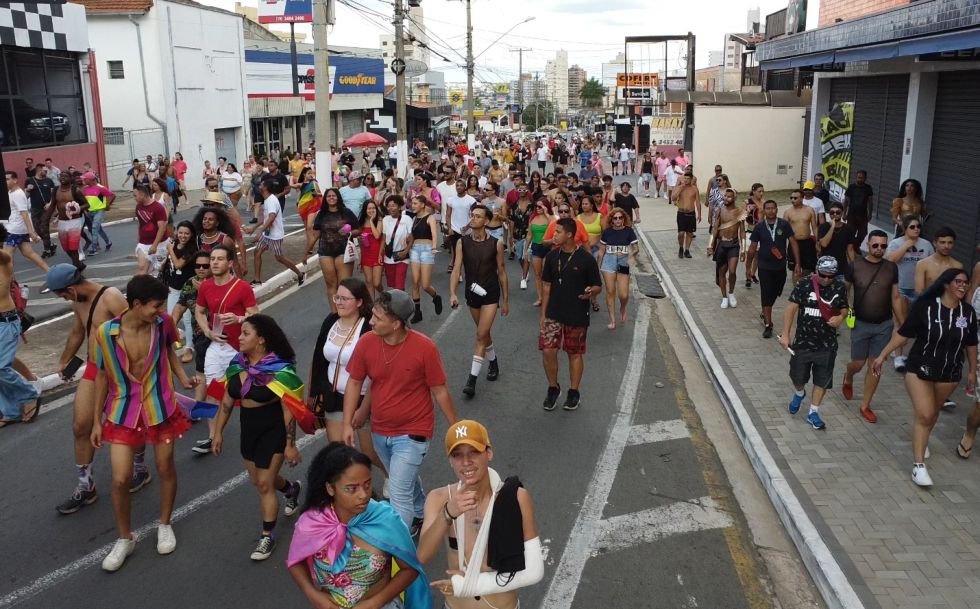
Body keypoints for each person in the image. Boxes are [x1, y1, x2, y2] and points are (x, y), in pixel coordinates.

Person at [91, 275, 199, 571]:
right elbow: (101, 375)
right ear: (136, 304)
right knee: (120, 478)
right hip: (122, 412)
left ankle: (165, 524)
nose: (160, 310)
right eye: (155, 306)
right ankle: (125, 538)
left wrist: (184, 379)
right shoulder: (105, 333)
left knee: (165, 468)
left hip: (160, 407)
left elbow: (169, 353)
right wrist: (96, 420)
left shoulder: (163, 323)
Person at [341, 289, 458, 530]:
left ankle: (397, 550)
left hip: (414, 432)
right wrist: (348, 422)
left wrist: (456, 427)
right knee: (400, 479)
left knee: (397, 492)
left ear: (396, 324)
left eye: (377, 317)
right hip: (380, 430)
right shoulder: (367, 343)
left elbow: (440, 390)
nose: (371, 321)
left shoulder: (425, 348)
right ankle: (420, 510)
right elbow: (354, 382)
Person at [286, 443, 431, 609]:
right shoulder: (313, 522)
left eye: (367, 484)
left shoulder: (386, 520)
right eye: (351, 489)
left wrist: (376, 602)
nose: (363, 495)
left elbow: (410, 569)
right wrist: (312, 594)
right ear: (330, 488)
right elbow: (295, 561)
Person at [418, 420, 544, 609]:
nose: (466, 462)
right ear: (450, 461)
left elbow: (534, 571)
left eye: (474, 452)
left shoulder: (515, 498)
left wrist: (468, 586)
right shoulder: (439, 498)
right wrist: (448, 513)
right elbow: (422, 556)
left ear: (489, 453)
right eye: (457, 455)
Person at [872, 269, 978, 487]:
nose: (963, 286)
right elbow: (904, 334)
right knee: (925, 413)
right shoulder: (926, 307)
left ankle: (923, 438)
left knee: (932, 413)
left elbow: (970, 343)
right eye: (958, 282)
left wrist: (973, 371)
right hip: (920, 367)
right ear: (946, 284)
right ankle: (918, 467)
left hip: (950, 372)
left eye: (966, 283)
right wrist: (882, 355)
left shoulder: (967, 313)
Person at [212, 314, 304, 560]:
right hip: (248, 429)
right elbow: (227, 401)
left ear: (261, 340)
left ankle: (267, 536)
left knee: (264, 484)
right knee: (259, 480)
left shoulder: (279, 370)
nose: (239, 337)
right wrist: (218, 432)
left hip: (272, 429)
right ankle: (291, 489)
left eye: (245, 333)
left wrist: (289, 444)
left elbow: (291, 408)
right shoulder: (237, 364)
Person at [193, 245, 260, 454]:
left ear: (230, 263)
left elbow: (255, 315)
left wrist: (239, 318)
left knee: (247, 392)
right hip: (216, 346)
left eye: (219, 259)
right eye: (212, 258)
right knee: (212, 390)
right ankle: (212, 436)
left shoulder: (242, 287)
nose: (214, 263)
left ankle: (257, 433)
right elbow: (199, 311)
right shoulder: (205, 286)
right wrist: (207, 331)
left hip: (237, 349)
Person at [778, 256, 849, 431]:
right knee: (797, 376)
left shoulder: (839, 287)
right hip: (803, 342)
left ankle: (813, 412)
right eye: (823, 275)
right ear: (817, 272)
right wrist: (786, 335)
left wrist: (840, 318)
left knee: (822, 380)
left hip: (827, 345)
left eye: (830, 276)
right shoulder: (803, 285)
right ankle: (799, 393)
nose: (826, 279)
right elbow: (791, 309)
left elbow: (845, 307)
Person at [539, 218, 602, 412]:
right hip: (553, 313)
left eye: (557, 232)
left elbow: (597, 285)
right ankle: (553, 387)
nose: (553, 235)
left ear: (568, 234)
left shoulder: (586, 259)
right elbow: (546, 286)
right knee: (548, 350)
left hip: (576, 313)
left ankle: (574, 391)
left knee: (574, 353)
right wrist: (543, 314)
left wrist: (592, 292)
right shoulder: (551, 257)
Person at [450, 205, 509, 399]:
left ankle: (471, 380)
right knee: (484, 334)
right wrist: (453, 293)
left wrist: (505, 300)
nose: (473, 219)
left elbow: (501, 272)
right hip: (471, 293)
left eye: (478, 216)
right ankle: (493, 362)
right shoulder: (462, 242)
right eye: (472, 215)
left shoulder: (496, 243)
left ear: (486, 221)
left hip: (491, 293)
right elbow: (457, 268)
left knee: (481, 333)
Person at [842, 230, 900, 423]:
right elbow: (844, 291)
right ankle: (848, 375)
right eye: (875, 245)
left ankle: (865, 405)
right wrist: (841, 312)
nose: (879, 249)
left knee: (875, 366)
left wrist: (903, 324)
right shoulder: (855, 266)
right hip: (860, 323)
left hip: (884, 325)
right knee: (857, 363)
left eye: (883, 246)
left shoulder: (891, 268)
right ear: (868, 244)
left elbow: (896, 297)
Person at [0, 225, 41, 428]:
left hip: (6, 322)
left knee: (1, 368)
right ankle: (10, 411)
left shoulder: (5, 260)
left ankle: (30, 394)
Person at [885, 216, 933, 373]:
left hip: (920, 291)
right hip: (900, 289)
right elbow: (890, 260)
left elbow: (932, 264)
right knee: (901, 323)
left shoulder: (926, 245)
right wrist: (906, 245)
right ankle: (898, 356)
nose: (916, 229)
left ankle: (916, 356)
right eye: (912, 227)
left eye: (918, 226)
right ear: (905, 228)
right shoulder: (896, 243)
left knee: (920, 325)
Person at [748, 200, 797, 338]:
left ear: (776, 209)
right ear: (764, 210)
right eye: (767, 208)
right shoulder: (759, 227)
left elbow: (793, 242)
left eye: (773, 208)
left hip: (780, 266)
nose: (770, 211)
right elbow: (752, 248)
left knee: (777, 290)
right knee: (766, 292)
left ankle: (765, 308)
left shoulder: (784, 224)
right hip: (764, 267)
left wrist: (798, 263)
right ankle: (768, 324)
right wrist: (748, 267)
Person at [248, 180, 305, 286]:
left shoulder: (272, 201)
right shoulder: (267, 200)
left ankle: (300, 273)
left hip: (275, 235)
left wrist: (260, 230)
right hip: (267, 234)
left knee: (279, 258)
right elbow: (265, 217)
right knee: (257, 252)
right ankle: (257, 280)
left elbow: (272, 217)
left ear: (265, 188)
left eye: (261, 184)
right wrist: (254, 227)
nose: (259, 186)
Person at [310, 187, 359, 310]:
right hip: (325, 252)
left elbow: (358, 229)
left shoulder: (346, 212)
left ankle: (347, 311)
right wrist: (307, 251)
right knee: (331, 285)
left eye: (333, 196)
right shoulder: (321, 214)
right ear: (325, 199)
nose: (331, 198)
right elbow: (315, 234)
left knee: (344, 285)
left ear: (338, 197)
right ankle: (334, 314)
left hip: (343, 251)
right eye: (328, 196)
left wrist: (349, 233)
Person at [597, 208, 638, 330]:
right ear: (611, 220)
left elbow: (636, 248)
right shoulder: (607, 232)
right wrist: (599, 264)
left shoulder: (629, 231)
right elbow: (601, 250)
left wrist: (631, 255)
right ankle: (612, 320)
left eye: (620, 218)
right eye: (615, 218)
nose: (618, 220)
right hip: (609, 261)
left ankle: (623, 307)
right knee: (610, 291)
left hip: (623, 261)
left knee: (623, 294)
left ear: (624, 219)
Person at [162, 221, 197, 354]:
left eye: (186, 233)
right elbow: (170, 264)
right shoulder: (174, 244)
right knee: (171, 319)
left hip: (187, 290)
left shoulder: (192, 249)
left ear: (191, 234)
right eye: (181, 232)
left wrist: (170, 250)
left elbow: (178, 265)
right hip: (173, 288)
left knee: (187, 320)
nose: (183, 236)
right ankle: (176, 343)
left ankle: (189, 347)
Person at [707, 188, 746, 309]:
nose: (726, 198)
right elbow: (715, 229)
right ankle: (724, 297)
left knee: (733, 271)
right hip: (722, 245)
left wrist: (744, 249)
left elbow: (742, 231)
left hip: (733, 245)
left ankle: (731, 293)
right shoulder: (720, 210)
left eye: (729, 197)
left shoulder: (739, 211)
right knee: (721, 273)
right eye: (725, 196)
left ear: (734, 198)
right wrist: (710, 245)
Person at [4, 171, 49, 273]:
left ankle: (12, 284)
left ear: (15, 180)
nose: (5, 181)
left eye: (7, 179)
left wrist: (31, 232)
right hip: (18, 228)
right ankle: (50, 272)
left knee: (7, 257)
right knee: (28, 253)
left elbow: (24, 214)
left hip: (14, 229)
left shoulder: (18, 194)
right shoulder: (10, 192)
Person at [408, 195, 443, 323]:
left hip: (427, 249)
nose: (413, 206)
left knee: (425, 285)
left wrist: (433, 248)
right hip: (415, 249)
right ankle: (418, 313)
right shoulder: (414, 218)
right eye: (412, 203)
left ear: (422, 204)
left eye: (416, 203)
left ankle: (436, 297)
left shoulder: (430, 217)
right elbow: (412, 235)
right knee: (415, 282)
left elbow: (434, 234)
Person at [52, 169, 89, 269]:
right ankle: (78, 264)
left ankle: (76, 266)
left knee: (73, 246)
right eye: (61, 175)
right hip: (62, 222)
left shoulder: (75, 190)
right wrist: (45, 220)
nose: (62, 177)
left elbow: (86, 204)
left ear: (70, 178)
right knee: (66, 247)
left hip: (74, 221)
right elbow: (52, 205)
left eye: (65, 176)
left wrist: (77, 208)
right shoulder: (55, 190)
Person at [133, 185, 169, 277]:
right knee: (142, 267)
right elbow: (140, 224)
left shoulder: (158, 208)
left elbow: (162, 227)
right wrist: (138, 240)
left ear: (142, 194)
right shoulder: (138, 207)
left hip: (159, 244)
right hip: (143, 243)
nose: (134, 198)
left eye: (135, 195)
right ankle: (140, 288)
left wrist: (154, 245)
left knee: (157, 269)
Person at [784, 189, 819, 278]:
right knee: (794, 268)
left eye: (795, 198)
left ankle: (803, 284)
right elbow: (784, 230)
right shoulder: (788, 212)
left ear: (802, 198)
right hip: (794, 243)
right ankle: (796, 288)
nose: (792, 200)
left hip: (807, 242)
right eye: (791, 198)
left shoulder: (809, 210)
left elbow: (814, 227)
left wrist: (818, 242)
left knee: (809, 268)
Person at [445, 179, 476, 275]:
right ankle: (458, 273)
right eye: (457, 185)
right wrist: (449, 228)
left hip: (467, 231)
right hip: (454, 230)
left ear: (465, 187)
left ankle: (468, 272)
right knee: (456, 252)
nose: (458, 187)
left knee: (467, 253)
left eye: (461, 185)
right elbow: (448, 215)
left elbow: (474, 216)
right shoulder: (451, 200)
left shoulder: (471, 200)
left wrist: (467, 227)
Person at [381, 195, 412, 291]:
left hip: (402, 256)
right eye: (389, 206)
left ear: (399, 207)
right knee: (392, 285)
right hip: (389, 256)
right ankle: (395, 303)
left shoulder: (406, 219)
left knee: (399, 285)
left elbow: (411, 237)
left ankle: (402, 304)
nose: (391, 208)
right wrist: (380, 254)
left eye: (393, 205)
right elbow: (384, 238)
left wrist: (406, 251)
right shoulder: (385, 220)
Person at [25, 165, 56, 258]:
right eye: (45, 171)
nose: (46, 173)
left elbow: (53, 195)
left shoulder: (49, 181)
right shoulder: (29, 181)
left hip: (46, 209)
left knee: (44, 227)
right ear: (39, 170)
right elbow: (25, 196)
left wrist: (50, 204)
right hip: (35, 208)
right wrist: (28, 189)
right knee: (37, 229)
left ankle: (47, 250)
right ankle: (50, 245)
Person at [816, 201, 852, 278]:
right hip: (825, 266)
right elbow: (824, 244)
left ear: (842, 213)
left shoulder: (848, 228)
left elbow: (850, 249)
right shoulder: (824, 227)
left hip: (841, 265)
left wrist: (854, 265)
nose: (835, 214)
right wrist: (832, 227)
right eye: (832, 212)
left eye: (837, 212)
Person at [82, 171, 114, 256]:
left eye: (85, 179)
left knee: (94, 227)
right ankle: (108, 242)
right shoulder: (85, 189)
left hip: (99, 210)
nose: (83, 181)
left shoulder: (100, 188)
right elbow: (86, 200)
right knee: (98, 229)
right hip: (90, 212)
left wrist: (107, 205)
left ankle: (94, 248)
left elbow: (112, 195)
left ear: (90, 180)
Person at [358, 200, 385, 299]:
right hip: (366, 254)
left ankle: (384, 295)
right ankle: (371, 306)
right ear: (365, 209)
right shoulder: (361, 221)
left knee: (376, 283)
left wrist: (371, 221)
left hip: (377, 253)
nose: (371, 210)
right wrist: (360, 258)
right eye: (369, 208)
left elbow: (377, 235)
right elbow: (360, 242)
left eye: (373, 208)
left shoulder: (379, 220)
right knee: (369, 282)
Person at [672, 171, 700, 259]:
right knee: (681, 233)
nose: (686, 180)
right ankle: (681, 247)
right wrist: (681, 188)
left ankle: (687, 250)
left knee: (690, 233)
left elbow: (698, 202)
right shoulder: (680, 187)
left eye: (688, 178)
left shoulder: (694, 189)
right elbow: (673, 198)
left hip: (691, 213)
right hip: (681, 213)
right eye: (685, 178)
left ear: (691, 179)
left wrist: (699, 214)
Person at [843, 170, 874, 248]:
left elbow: (870, 202)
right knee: (850, 232)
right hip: (851, 215)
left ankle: (856, 246)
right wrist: (844, 213)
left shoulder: (868, 188)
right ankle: (849, 247)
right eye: (858, 177)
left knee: (863, 233)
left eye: (862, 178)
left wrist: (870, 214)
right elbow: (846, 201)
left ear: (865, 178)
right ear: (856, 177)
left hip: (863, 215)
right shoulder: (851, 187)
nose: (860, 179)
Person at [743, 183, 764, 288]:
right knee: (749, 255)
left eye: (762, 191)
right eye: (759, 191)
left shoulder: (764, 203)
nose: (761, 193)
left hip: (761, 232)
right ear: (754, 191)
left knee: (758, 255)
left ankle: (752, 273)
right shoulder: (748, 202)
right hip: (751, 231)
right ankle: (747, 276)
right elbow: (744, 216)